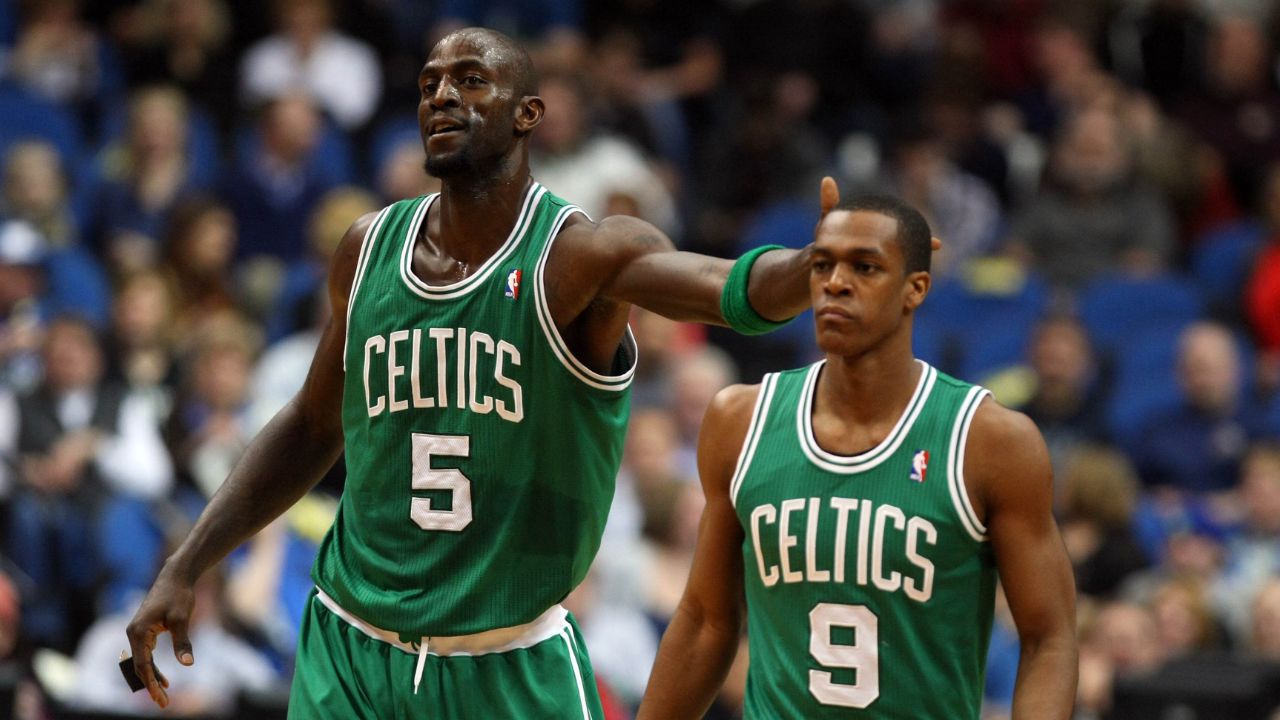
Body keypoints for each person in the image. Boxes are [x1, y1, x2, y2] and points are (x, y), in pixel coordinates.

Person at [125, 27, 828, 717]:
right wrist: (186, 563)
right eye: (429, 84)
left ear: (529, 114)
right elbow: (312, 425)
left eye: (470, 80)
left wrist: (811, 266)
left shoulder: (578, 255)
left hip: (506, 661)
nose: (442, 97)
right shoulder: (368, 248)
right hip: (350, 648)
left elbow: (732, 290)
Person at [637, 191, 1077, 719]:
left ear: (915, 289)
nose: (835, 283)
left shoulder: (990, 441)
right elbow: (707, 621)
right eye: (822, 265)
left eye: (865, 267)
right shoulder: (740, 420)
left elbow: (1049, 637)